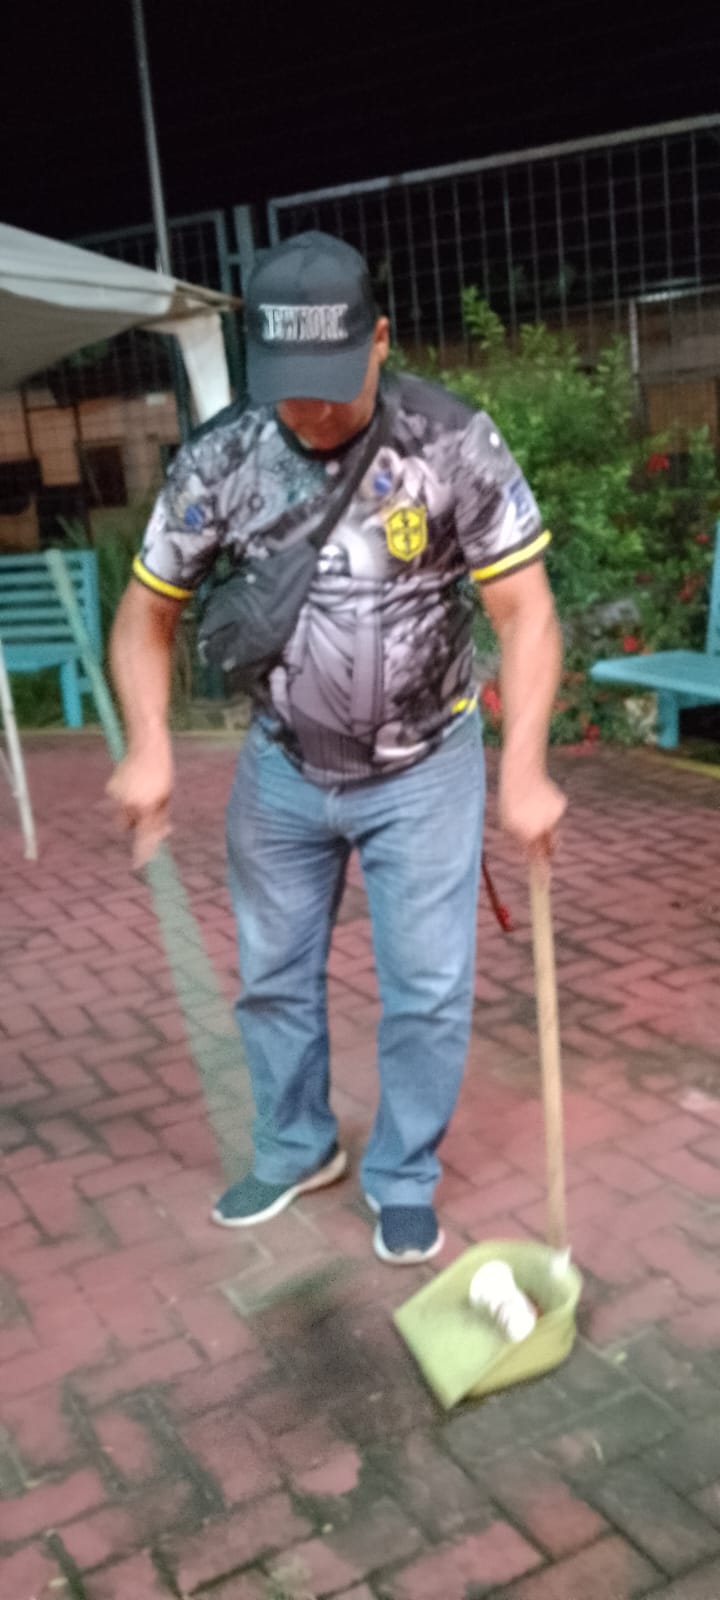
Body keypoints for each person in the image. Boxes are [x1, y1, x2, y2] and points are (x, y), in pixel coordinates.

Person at [108, 231, 566, 1266]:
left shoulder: (451, 440)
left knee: (428, 989)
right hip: (281, 768)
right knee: (271, 976)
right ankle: (295, 1146)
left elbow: (526, 612)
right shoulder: (221, 456)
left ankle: (403, 1174)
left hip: (426, 767)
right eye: (288, 385)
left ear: (380, 342)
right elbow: (147, 611)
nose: (309, 410)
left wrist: (526, 766)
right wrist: (148, 745)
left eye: (330, 380)